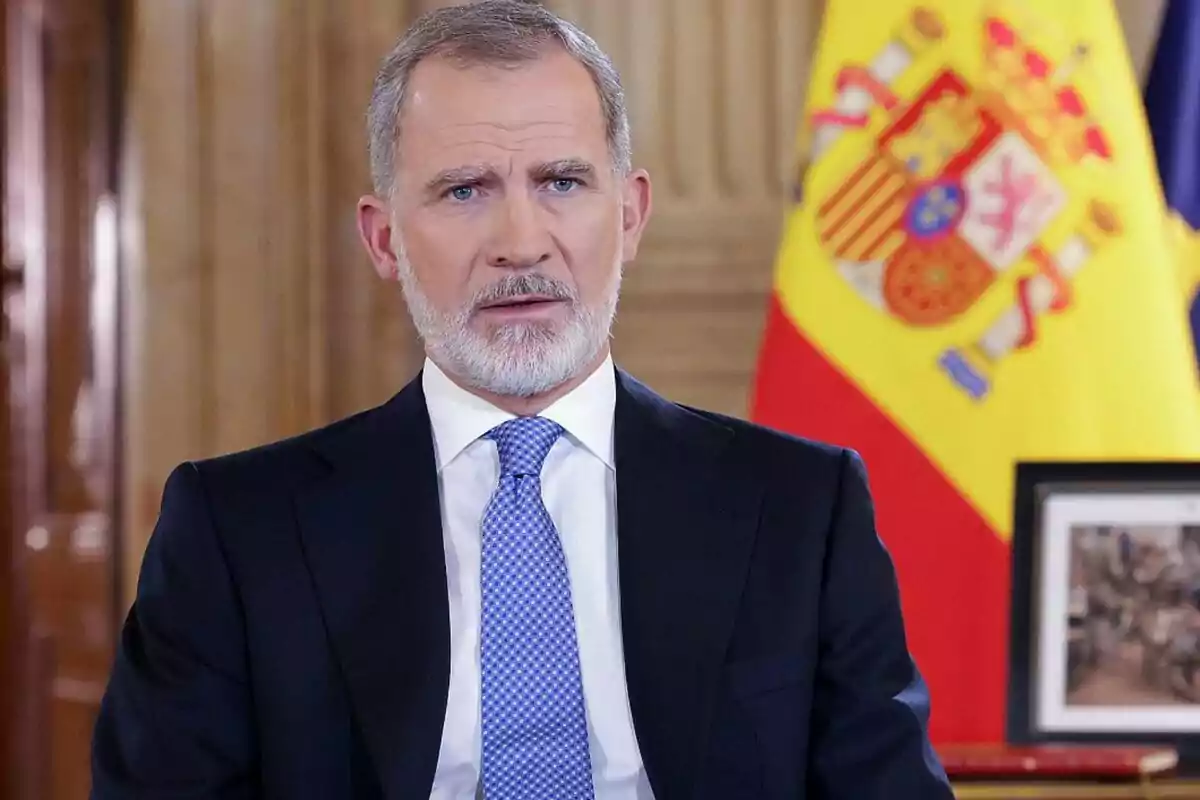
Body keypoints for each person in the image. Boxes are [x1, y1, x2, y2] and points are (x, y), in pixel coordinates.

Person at [90, 2, 954, 798]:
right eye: (464, 190)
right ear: (384, 238)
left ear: (630, 215)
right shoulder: (236, 530)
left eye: (562, 183)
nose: (520, 242)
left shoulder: (801, 509)